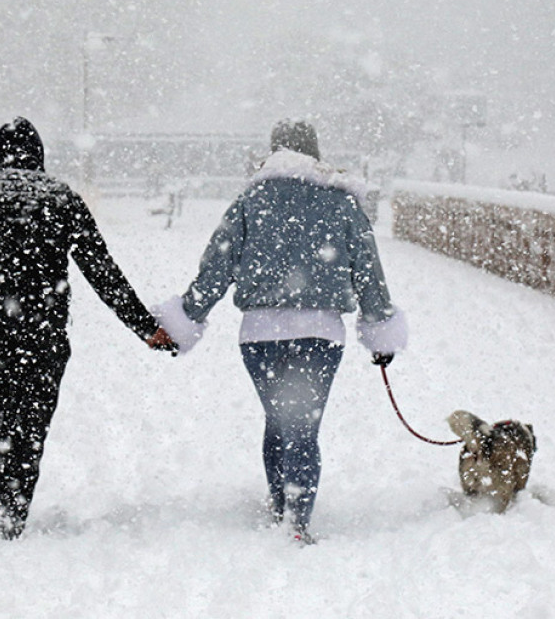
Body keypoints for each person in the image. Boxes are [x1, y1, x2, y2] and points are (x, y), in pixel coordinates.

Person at [154, 119, 407, 544]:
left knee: (279, 420)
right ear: (315, 152)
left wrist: (187, 317)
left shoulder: (251, 200)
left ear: (273, 151)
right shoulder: (341, 201)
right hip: (320, 334)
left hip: (259, 335)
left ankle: (280, 506)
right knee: (302, 427)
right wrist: (380, 326)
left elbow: (216, 266)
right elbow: (368, 270)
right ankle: (296, 522)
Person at [0, 117, 175, 539]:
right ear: (39, 156)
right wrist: (145, 327)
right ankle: (12, 508)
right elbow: (102, 272)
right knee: (31, 417)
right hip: (41, 332)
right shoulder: (61, 199)